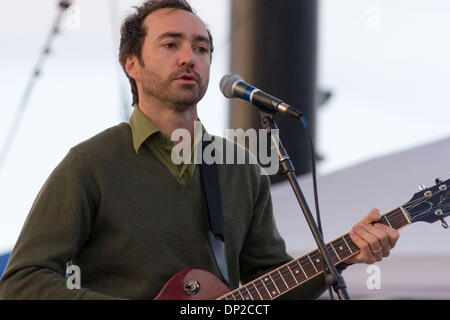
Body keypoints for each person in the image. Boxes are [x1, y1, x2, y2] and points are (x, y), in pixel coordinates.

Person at [0, 0, 399, 300]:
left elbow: (273, 280)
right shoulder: (90, 164)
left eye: (202, 48)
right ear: (132, 64)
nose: (189, 57)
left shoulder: (239, 167)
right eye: (171, 44)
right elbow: (22, 280)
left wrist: (346, 253)